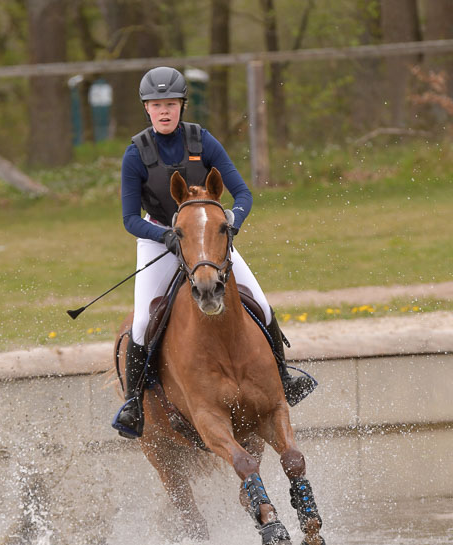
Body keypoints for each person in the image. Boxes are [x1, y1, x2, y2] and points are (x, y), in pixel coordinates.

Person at [114, 66, 316, 438]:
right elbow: (129, 218)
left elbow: (242, 194)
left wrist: (231, 224)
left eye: (170, 104)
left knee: (262, 304)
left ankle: (284, 378)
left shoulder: (202, 141)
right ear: (147, 108)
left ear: (181, 106)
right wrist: (167, 238)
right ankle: (133, 404)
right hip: (159, 235)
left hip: (210, 238)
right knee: (142, 322)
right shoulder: (135, 154)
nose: (164, 111)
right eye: (156, 105)